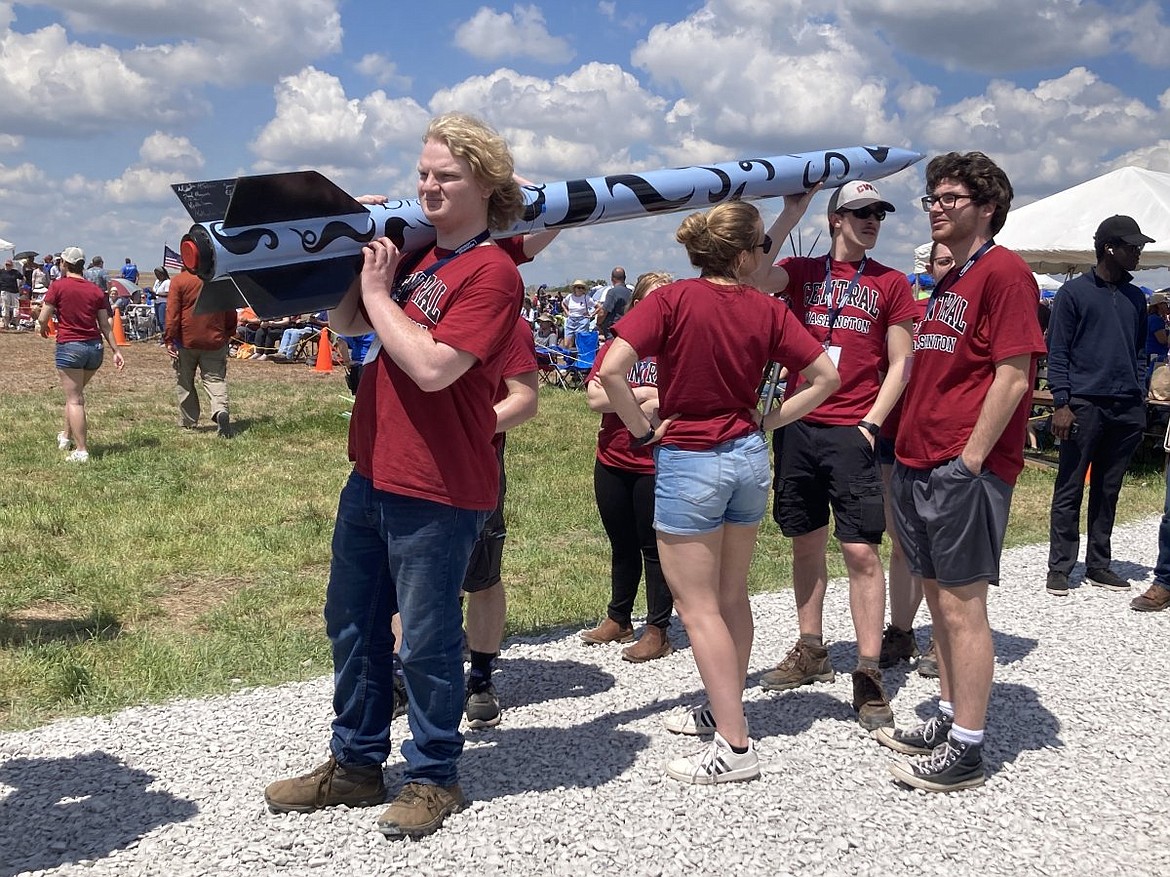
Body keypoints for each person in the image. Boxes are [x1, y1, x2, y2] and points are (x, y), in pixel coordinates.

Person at [263, 112, 526, 839]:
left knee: (429, 641)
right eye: (424, 173)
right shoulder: (414, 258)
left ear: (485, 184)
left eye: (447, 175)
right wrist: (360, 264)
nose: (429, 186)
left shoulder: (492, 271)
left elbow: (435, 367)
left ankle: (435, 774)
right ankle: (354, 763)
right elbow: (351, 323)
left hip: (440, 488)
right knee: (351, 623)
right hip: (373, 472)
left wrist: (380, 295)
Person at [599, 199, 839, 785]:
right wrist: (770, 422)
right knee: (732, 596)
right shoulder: (767, 308)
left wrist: (639, 429)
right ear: (740, 254)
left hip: (691, 458)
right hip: (749, 458)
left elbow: (610, 371)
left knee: (698, 604)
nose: (764, 255)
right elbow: (827, 378)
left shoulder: (671, 300)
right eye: (760, 247)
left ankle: (734, 746)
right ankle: (725, 705)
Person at [874, 151, 1046, 793]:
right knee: (938, 603)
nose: (936, 207)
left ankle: (968, 749)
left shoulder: (1004, 274)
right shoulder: (952, 280)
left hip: (960, 467)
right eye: (932, 198)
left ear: (987, 207)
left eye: (949, 197)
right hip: (920, 460)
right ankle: (949, 717)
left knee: (962, 604)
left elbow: (1014, 373)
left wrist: (971, 458)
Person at [755, 179, 917, 733]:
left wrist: (872, 423)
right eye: (860, 212)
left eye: (879, 213)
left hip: (855, 430)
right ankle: (811, 648)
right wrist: (789, 213)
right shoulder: (802, 275)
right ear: (835, 220)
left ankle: (868, 671)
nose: (872, 220)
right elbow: (752, 275)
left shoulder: (891, 283)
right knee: (804, 543)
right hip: (799, 425)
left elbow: (901, 363)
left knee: (862, 552)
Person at [1044, 215, 1153, 597]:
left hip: (1125, 407)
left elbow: (1139, 351)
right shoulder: (1074, 295)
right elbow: (1057, 352)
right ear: (1110, 247)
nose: (1138, 252)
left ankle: (1098, 564)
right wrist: (1061, 401)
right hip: (1083, 404)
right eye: (1132, 246)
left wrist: (1139, 392)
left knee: (1109, 488)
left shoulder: (1136, 297)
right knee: (1071, 484)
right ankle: (1059, 566)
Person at [580, 271, 676, 662]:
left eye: (664, 303)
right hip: (613, 458)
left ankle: (658, 628)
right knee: (621, 543)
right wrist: (646, 394)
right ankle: (619, 618)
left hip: (655, 463)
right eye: (648, 302)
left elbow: (678, 402)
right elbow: (593, 399)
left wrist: (621, 395)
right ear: (636, 306)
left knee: (655, 548)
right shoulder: (616, 347)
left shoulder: (679, 348)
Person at [878, 242, 954, 677]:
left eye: (951, 262)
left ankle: (943, 633)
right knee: (902, 539)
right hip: (895, 434)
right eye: (939, 262)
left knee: (938, 542)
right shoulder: (909, 310)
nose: (945, 269)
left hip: (939, 438)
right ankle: (901, 630)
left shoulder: (962, 311)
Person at [36, 246, 125, 462]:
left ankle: (82, 450)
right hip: (94, 349)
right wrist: (116, 350)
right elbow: (105, 324)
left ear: (64, 264)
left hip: (70, 347)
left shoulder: (58, 286)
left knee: (74, 399)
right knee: (74, 394)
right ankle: (66, 436)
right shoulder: (95, 290)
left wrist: (41, 325)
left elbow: (43, 317)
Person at [164, 266, 236, 437]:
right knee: (215, 379)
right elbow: (230, 309)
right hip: (214, 339)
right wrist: (229, 332)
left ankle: (188, 420)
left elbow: (172, 312)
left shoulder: (179, 281)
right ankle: (220, 411)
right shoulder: (219, 278)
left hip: (186, 340)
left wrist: (169, 338)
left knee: (185, 380)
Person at [593, 266, 632, 339]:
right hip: (626, 329)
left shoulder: (613, 292)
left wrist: (598, 324)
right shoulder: (630, 293)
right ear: (625, 278)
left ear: (612, 279)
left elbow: (603, 312)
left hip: (613, 331)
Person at [562, 279, 592, 350]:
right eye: (579, 287)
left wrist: (591, 314)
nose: (580, 289)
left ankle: (580, 358)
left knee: (581, 344)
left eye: (582, 288)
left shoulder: (586, 298)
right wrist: (567, 312)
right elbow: (563, 303)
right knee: (567, 344)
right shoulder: (569, 297)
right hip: (571, 320)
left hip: (582, 321)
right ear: (574, 288)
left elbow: (598, 306)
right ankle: (568, 359)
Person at [0, 258, 21, 330]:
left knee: (16, 308)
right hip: (5, 291)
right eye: (6, 265)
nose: (7, 266)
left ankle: (16, 324)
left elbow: (22, 278)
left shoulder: (15, 272)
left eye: (9, 265)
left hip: (14, 292)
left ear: (12, 265)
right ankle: (6, 324)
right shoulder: (1, 272)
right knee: (5, 307)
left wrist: (20, 286)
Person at [151, 267, 171, 344]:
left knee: (163, 322)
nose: (157, 276)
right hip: (156, 302)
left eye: (158, 274)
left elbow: (168, 293)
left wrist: (157, 294)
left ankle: (167, 339)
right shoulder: (157, 281)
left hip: (163, 303)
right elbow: (155, 290)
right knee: (159, 321)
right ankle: (163, 338)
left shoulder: (167, 282)